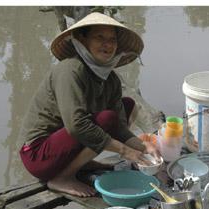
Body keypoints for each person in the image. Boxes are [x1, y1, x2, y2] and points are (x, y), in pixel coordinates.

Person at [18, 12, 166, 197]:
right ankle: (63, 177)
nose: (108, 44)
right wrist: (125, 151)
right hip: (38, 156)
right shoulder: (70, 70)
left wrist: (143, 147)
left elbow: (118, 127)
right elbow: (77, 124)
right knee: (105, 119)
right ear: (82, 39)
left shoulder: (109, 79)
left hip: (64, 148)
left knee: (126, 105)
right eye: (99, 37)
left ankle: (81, 163)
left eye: (112, 40)